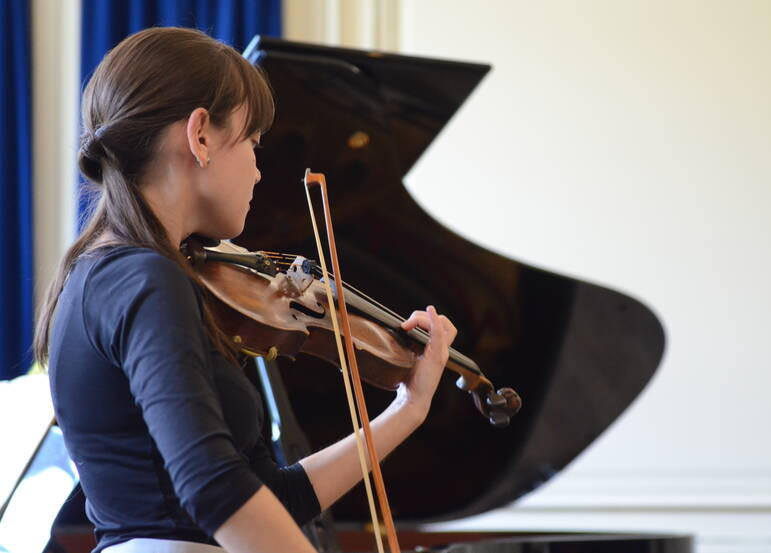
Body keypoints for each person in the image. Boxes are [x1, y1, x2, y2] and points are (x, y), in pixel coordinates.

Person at [33, 27, 457, 553]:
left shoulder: (102, 274)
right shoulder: (145, 278)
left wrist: (407, 411)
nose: (259, 171)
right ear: (200, 136)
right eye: (253, 143)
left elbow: (264, 497)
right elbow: (213, 489)